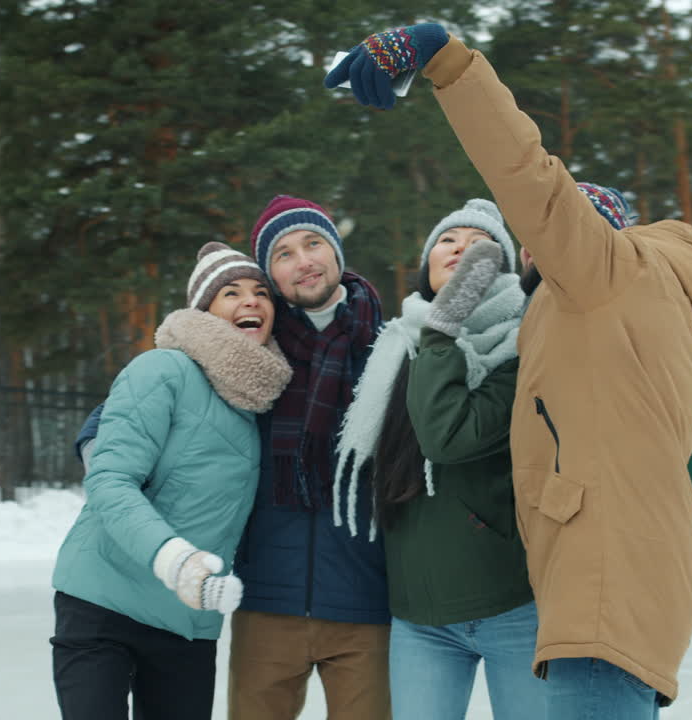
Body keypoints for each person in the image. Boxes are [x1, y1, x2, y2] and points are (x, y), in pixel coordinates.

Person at [326, 23, 692, 717]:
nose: (534, 252)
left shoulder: (604, 273)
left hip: (595, 592)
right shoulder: (621, 313)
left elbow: (529, 178)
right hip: (610, 583)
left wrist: (446, 59)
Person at [75, 195, 391, 719]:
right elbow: (120, 415)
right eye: (285, 253)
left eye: (313, 243)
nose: (304, 260)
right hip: (265, 600)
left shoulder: (388, 348)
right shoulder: (250, 356)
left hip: (364, 600)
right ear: (272, 273)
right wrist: (111, 472)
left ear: (336, 253)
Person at [50, 242, 292, 720]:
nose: (251, 301)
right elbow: (111, 481)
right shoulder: (164, 369)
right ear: (203, 309)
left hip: (187, 624)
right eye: (231, 292)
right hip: (104, 604)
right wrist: (175, 559)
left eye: (261, 291)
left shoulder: (265, 401)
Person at [333, 197, 541, 720]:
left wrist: (444, 329)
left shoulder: (524, 347)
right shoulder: (395, 345)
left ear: (505, 268)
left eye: (480, 246)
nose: (462, 250)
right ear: (426, 263)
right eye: (448, 241)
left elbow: (448, 436)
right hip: (417, 616)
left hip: (511, 606)